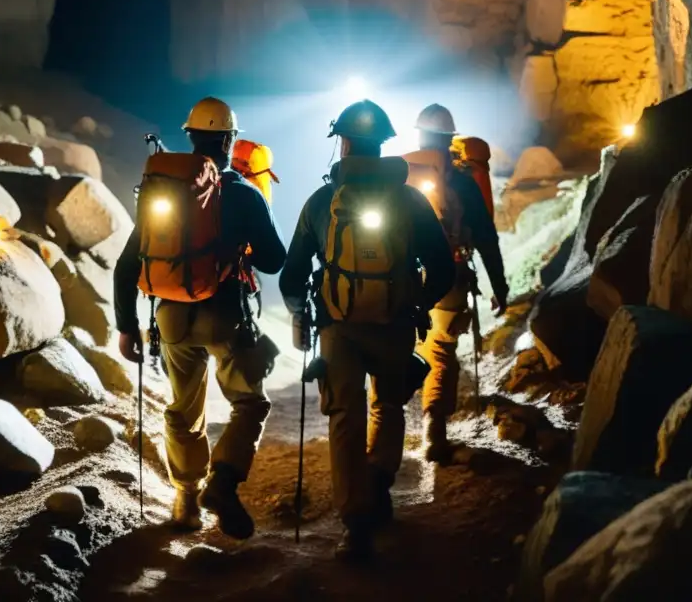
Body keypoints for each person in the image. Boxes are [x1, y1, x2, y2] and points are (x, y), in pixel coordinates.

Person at [279, 99, 456, 561]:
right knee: (389, 405)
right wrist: (417, 303)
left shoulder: (322, 201)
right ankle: (379, 481)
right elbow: (443, 268)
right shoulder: (410, 200)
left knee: (344, 416)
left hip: (339, 328)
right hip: (395, 324)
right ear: (383, 144)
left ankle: (355, 523)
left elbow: (291, 275)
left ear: (343, 143)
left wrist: (302, 312)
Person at [114, 97, 287, 540]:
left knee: (183, 410)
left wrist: (126, 326)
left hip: (172, 318)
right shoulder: (244, 193)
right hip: (225, 316)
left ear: (190, 137)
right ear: (229, 140)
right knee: (249, 403)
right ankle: (223, 482)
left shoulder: (165, 191)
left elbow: (128, 264)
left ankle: (186, 501)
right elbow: (274, 260)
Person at [404, 104, 508, 463]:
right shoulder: (463, 181)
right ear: (450, 139)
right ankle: (434, 432)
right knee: (440, 352)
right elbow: (486, 237)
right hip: (450, 277)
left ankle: (380, 434)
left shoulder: (400, 175)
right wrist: (500, 286)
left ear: (419, 135)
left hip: (401, 279)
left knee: (394, 348)